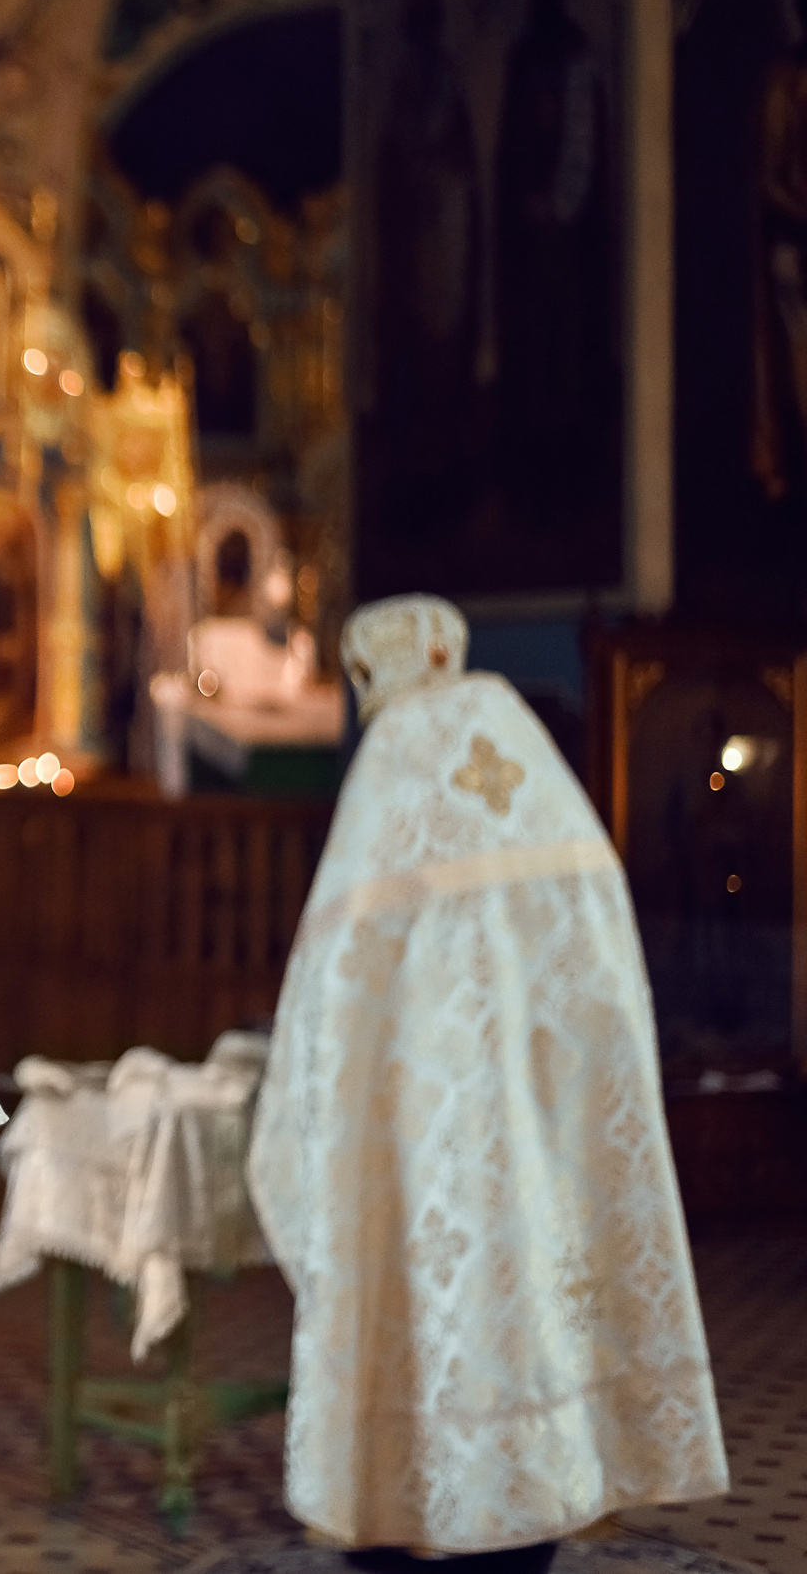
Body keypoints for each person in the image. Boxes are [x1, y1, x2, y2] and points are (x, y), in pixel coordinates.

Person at [247, 595, 728, 1570]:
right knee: (535, 1341)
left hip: (416, 1161)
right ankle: (531, 1511)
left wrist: (297, 1120)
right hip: (547, 1149)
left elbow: (324, 1002)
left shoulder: (393, 772)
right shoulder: (536, 774)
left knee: (419, 1363)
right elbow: (605, 983)